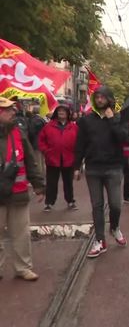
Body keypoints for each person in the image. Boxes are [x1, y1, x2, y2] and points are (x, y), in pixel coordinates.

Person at [74, 86, 129, 258]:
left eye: (102, 97)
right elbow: (80, 144)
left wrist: (112, 120)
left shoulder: (119, 117)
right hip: (93, 168)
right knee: (96, 205)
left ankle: (114, 227)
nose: (99, 100)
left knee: (115, 204)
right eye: (97, 97)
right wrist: (77, 167)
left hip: (113, 167)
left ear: (109, 99)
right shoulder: (87, 120)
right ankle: (100, 240)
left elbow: (124, 138)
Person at [0, 97, 45, 281]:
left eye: (12, 109)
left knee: (21, 233)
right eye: (8, 110)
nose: (13, 112)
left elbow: (30, 161)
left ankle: (23, 268)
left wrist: (39, 185)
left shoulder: (18, 133)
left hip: (18, 193)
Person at [38, 104, 78, 211]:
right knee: (51, 182)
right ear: (56, 113)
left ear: (68, 114)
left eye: (63, 111)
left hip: (68, 159)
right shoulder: (48, 126)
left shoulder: (74, 127)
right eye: (59, 111)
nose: (61, 113)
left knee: (68, 182)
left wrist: (76, 154)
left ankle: (70, 201)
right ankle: (49, 203)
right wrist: (46, 151)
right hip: (52, 159)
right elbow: (41, 141)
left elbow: (79, 142)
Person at [28, 105, 47, 175]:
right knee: (42, 160)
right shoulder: (43, 119)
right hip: (42, 142)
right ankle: (43, 174)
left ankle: (39, 176)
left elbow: (31, 132)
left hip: (35, 143)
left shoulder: (33, 120)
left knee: (37, 160)